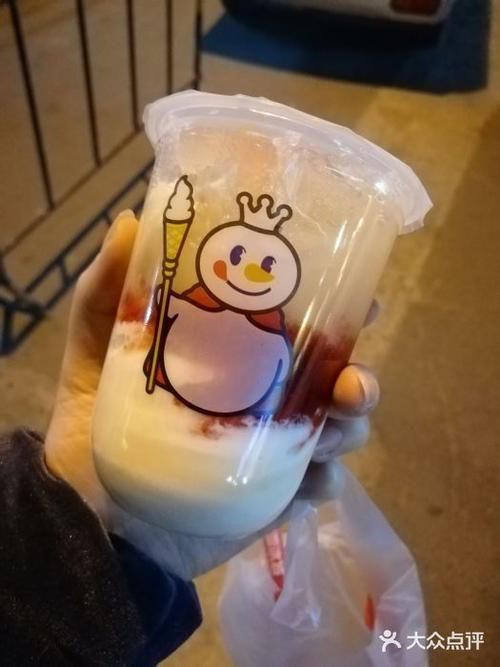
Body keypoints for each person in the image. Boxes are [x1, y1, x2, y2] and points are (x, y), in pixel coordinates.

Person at [0, 211, 380, 665]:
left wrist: (82, 534)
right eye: (237, 256)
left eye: (266, 266)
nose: (252, 273)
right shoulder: (187, 305)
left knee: (334, 389)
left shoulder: (272, 336)